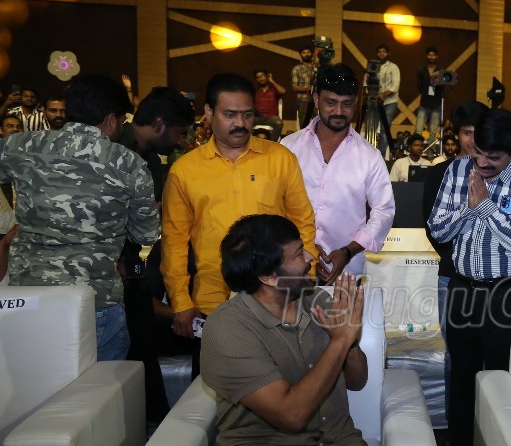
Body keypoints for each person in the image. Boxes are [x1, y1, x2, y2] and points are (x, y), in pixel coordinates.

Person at [202, 214, 390, 446]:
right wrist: (339, 342)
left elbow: (357, 381)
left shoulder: (318, 300)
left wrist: (349, 342)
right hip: (260, 445)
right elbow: (290, 415)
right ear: (269, 276)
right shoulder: (228, 328)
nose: (310, 258)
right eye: (297, 254)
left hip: (331, 441)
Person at [427, 108, 511, 446]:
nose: (481, 162)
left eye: (493, 157)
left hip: (507, 292)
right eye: (477, 151)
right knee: (461, 380)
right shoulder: (458, 171)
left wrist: (485, 209)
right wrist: (469, 208)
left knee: (501, 384)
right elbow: (438, 228)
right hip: (462, 288)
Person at [162, 73, 315, 378]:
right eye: (230, 115)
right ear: (209, 112)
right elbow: (174, 240)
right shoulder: (184, 171)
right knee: (214, 391)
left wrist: (300, 281)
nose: (240, 124)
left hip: (276, 301)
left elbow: (303, 222)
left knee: (282, 387)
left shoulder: (280, 159)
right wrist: (180, 300)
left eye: (247, 115)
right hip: (213, 302)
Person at [0, 74, 160, 360]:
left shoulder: (20, 146)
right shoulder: (129, 163)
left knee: (34, 382)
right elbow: (145, 235)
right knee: (98, 386)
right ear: (111, 119)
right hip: (94, 300)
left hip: (27, 298)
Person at [118, 87, 195, 424]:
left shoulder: (150, 161)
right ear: (160, 124)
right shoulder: (115, 151)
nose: (182, 142)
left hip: (136, 262)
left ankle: (156, 424)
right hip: (114, 270)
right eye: (180, 132)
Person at [282, 64, 394, 281]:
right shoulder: (289, 147)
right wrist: (303, 245)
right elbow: (275, 205)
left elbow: (384, 211)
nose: (339, 112)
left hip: (346, 273)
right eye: (331, 102)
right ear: (316, 100)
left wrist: (348, 251)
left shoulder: (369, 156)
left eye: (347, 104)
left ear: (356, 102)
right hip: (291, 272)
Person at [421, 100, 487, 429]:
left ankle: (489, 427)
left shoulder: (503, 172)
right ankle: (455, 425)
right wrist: (458, 254)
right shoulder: (440, 173)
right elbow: (432, 228)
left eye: (479, 132)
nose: (472, 140)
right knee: (456, 354)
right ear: (456, 134)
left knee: (492, 354)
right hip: (452, 277)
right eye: (466, 133)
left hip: (494, 281)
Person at [415, 45, 443, 142]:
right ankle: (416, 149)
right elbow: (419, 86)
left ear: (436, 57)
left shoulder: (440, 70)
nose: (431, 57)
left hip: (436, 104)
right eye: (429, 55)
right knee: (418, 130)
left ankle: (432, 152)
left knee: (433, 133)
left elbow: (443, 87)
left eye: (433, 55)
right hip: (424, 103)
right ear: (426, 56)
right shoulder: (422, 70)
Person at [253, 69, 286, 140]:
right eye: (258, 77)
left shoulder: (273, 90)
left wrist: (272, 80)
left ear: (267, 77)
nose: (261, 79)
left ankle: (271, 144)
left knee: (279, 123)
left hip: (271, 117)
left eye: (262, 76)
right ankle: (250, 143)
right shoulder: (254, 92)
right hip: (258, 117)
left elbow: (283, 91)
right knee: (246, 122)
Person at [374, 44, 401, 129]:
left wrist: (383, 95)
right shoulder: (372, 66)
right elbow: (366, 83)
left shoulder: (393, 67)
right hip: (374, 101)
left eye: (384, 52)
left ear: (388, 53)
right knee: (372, 126)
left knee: (385, 128)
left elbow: (395, 86)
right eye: (379, 52)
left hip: (390, 102)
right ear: (376, 54)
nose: (381, 53)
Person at [291, 46, 317, 126]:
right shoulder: (297, 68)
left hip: (316, 99)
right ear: (300, 54)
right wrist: (308, 89)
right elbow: (294, 87)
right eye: (304, 53)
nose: (306, 54)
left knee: (318, 123)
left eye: (308, 52)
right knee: (304, 123)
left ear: (312, 54)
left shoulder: (317, 67)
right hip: (303, 99)